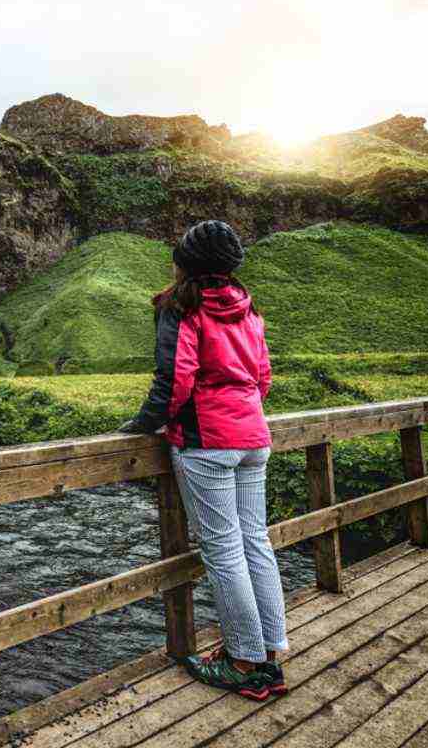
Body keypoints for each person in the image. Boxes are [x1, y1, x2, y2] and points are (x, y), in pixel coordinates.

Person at [118, 220, 287, 702]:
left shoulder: (182, 306)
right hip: (254, 437)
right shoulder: (247, 307)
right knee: (256, 541)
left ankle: (243, 662)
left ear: (186, 263)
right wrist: (244, 414)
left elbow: (174, 381)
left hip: (207, 441)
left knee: (224, 549)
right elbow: (263, 377)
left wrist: (139, 426)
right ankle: (270, 655)